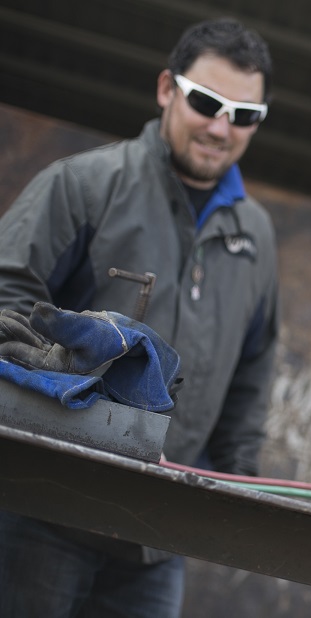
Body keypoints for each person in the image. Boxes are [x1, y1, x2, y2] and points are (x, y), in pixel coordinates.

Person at [0, 18, 279, 618]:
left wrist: (236, 486)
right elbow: (5, 295)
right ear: (165, 90)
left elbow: (252, 373)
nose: (220, 127)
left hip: (157, 538)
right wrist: (60, 374)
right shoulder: (86, 186)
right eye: (207, 102)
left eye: (244, 114)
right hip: (45, 513)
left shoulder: (254, 236)